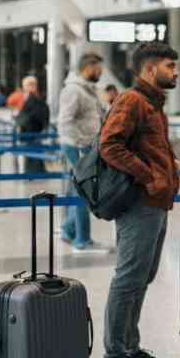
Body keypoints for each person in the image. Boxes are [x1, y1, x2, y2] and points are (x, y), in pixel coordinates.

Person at [98, 42, 180, 358]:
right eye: (169, 66)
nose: (176, 72)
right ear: (149, 70)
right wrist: (148, 176)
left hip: (157, 202)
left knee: (142, 277)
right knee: (129, 277)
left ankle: (130, 348)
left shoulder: (152, 103)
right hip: (139, 203)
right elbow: (109, 144)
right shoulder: (132, 100)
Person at [58, 54, 105, 250]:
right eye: (98, 68)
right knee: (83, 191)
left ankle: (69, 230)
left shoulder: (88, 90)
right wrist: (79, 144)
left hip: (86, 146)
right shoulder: (73, 91)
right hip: (76, 147)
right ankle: (82, 239)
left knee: (81, 190)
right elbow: (65, 121)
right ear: (88, 67)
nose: (101, 72)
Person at [15, 76, 50, 174]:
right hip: (31, 131)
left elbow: (32, 115)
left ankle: (33, 173)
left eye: (27, 86)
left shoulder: (35, 99)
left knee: (33, 154)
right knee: (33, 154)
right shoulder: (31, 98)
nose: (25, 88)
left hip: (32, 131)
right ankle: (34, 172)